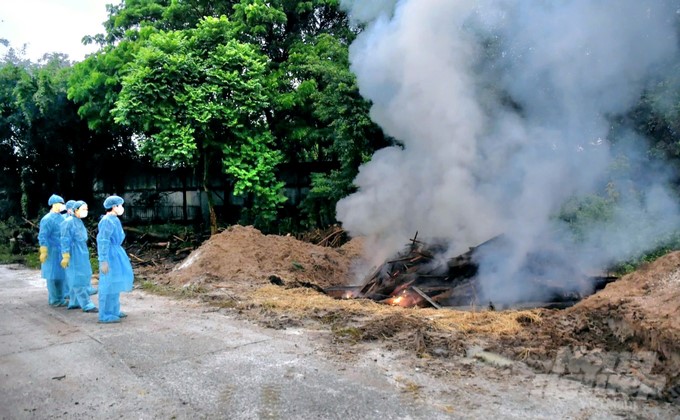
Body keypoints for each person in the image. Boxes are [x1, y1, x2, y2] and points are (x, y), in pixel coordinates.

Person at [96, 195, 133, 323]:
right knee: (108, 283)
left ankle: (114, 310)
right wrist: (103, 260)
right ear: (113, 206)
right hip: (110, 254)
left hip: (116, 253)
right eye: (120, 205)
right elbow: (103, 241)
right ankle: (105, 314)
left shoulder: (114, 219)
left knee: (115, 282)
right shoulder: (107, 220)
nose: (122, 208)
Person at [60, 201, 98, 313]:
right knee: (77, 278)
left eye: (86, 209)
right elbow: (64, 239)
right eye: (83, 209)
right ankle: (86, 304)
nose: (85, 211)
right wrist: (66, 255)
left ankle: (74, 302)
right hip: (74, 253)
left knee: (83, 275)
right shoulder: (68, 222)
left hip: (81, 251)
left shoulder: (78, 221)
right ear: (75, 210)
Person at [38, 194, 67, 306]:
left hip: (61, 250)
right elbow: (43, 236)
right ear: (53, 205)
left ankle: (61, 297)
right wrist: (44, 250)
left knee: (61, 276)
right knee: (52, 276)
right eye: (60, 203)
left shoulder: (62, 218)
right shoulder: (47, 219)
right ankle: (54, 299)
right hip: (51, 250)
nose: (62, 206)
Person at [61, 200, 77, 302]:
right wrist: (65, 253)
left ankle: (73, 292)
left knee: (74, 272)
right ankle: (66, 292)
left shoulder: (76, 220)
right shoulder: (65, 220)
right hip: (66, 249)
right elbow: (64, 238)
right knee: (67, 272)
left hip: (76, 250)